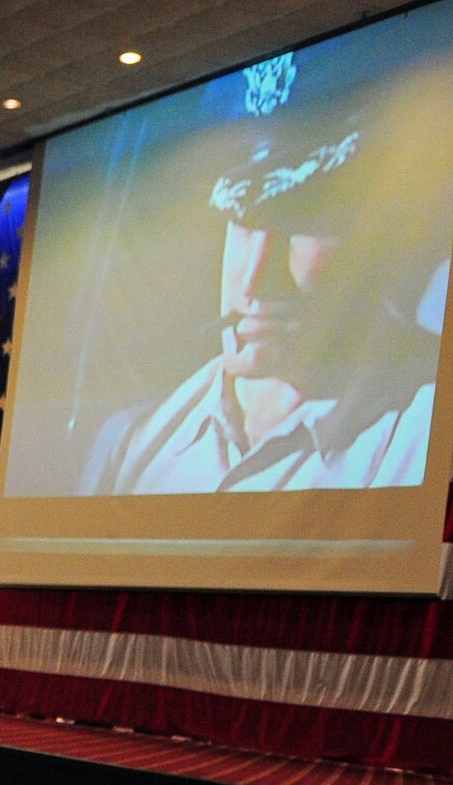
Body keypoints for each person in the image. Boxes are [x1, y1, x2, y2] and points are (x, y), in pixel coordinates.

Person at [82, 49, 446, 495]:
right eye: (242, 222)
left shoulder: (425, 436)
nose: (255, 280)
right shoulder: (135, 445)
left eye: (301, 220)